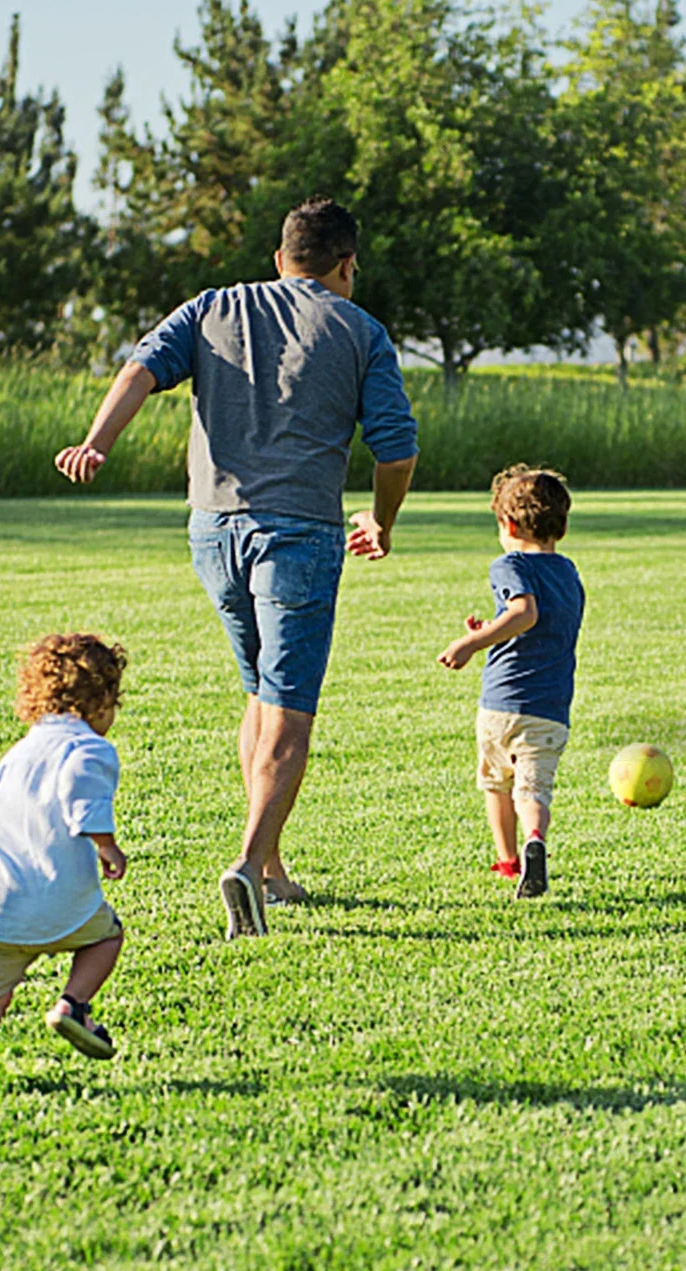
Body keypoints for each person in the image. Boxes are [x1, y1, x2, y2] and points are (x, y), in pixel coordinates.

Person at [54, 197, 418, 939]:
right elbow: (396, 449)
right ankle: (249, 867)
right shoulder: (361, 331)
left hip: (213, 531)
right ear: (347, 265)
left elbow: (137, 372)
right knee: (288, 705)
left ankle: (273, 867)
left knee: (257, 692)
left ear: (280, 258)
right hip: (299, 536)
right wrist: (380, 521)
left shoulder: (213, 306)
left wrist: (96, 443)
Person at [0, 634, 129, 1094]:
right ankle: (73, 1004)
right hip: (60, 902)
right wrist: (106, 845)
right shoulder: (89, 748)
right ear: (100, 704)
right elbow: (81, 790)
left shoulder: (20, 754)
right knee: (107, 937)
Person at [439, 467, 585, 899]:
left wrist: (471, 641)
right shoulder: (567, 572)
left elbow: (525, 614)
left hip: (502, 704)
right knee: (533, 787)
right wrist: (493, 626)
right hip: (550, 710)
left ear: (508, 525)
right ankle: (534, 840)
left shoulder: (510, 563)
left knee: (496, 783)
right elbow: (540, 623)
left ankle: (507, 861)